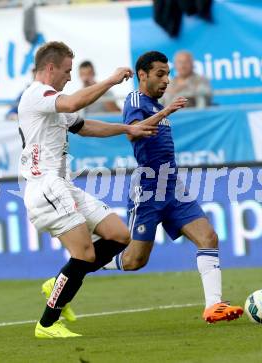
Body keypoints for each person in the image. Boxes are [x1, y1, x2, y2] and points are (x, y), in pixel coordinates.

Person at [18, 41, 157, 338]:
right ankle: (47, 324)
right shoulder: (36, 95)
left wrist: (128, 129)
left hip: (63, 185)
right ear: (50, 67)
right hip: (45, 186)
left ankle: (58, 282)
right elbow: (71, 104)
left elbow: (83, 125)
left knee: (119, 235)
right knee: (83, 255)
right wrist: (108, 80)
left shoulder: (51, 102)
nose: (70, 77)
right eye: (67, 71)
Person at [101, 51, 243, 324]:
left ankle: (214, 306)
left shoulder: (157, 105)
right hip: (148, 190)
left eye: (168, 74)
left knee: (208, 238)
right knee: (134, 261)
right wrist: (166, 111)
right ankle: (85, 264)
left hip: (173, 187)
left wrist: (164, 110)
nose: (166, 80)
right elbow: (134, 130)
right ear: (142, 75)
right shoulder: (135, 100)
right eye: (160, 74)